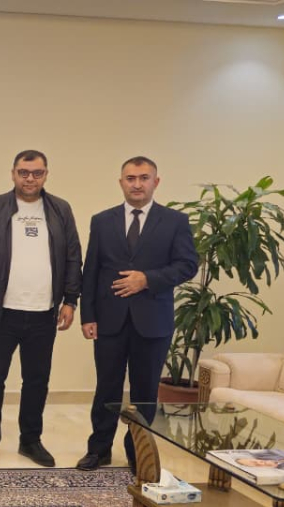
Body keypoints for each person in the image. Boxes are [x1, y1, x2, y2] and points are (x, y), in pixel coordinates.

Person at [77, 156, 197, 471]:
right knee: (107, 388)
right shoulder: (102, 221)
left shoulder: (175, 221)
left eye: (144, 178)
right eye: (131, 178)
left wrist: (147, 279)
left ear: (156, 182)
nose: (137, 184)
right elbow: (91, 272)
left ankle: (138, 452)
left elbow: (187, 265)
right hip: (109, 321)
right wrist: (87, 315)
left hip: (153, 322)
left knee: (145, 392)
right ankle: (99, 449)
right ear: (121, 182)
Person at [0, 150, 81, 467]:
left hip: (44, 312)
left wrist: (70, 300)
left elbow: (73, 256)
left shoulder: (60, 209)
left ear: (46, 174)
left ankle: (30, 440)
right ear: (13, 173)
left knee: (36, 380)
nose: (30, 178)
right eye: (24, 172)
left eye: (37, 173)